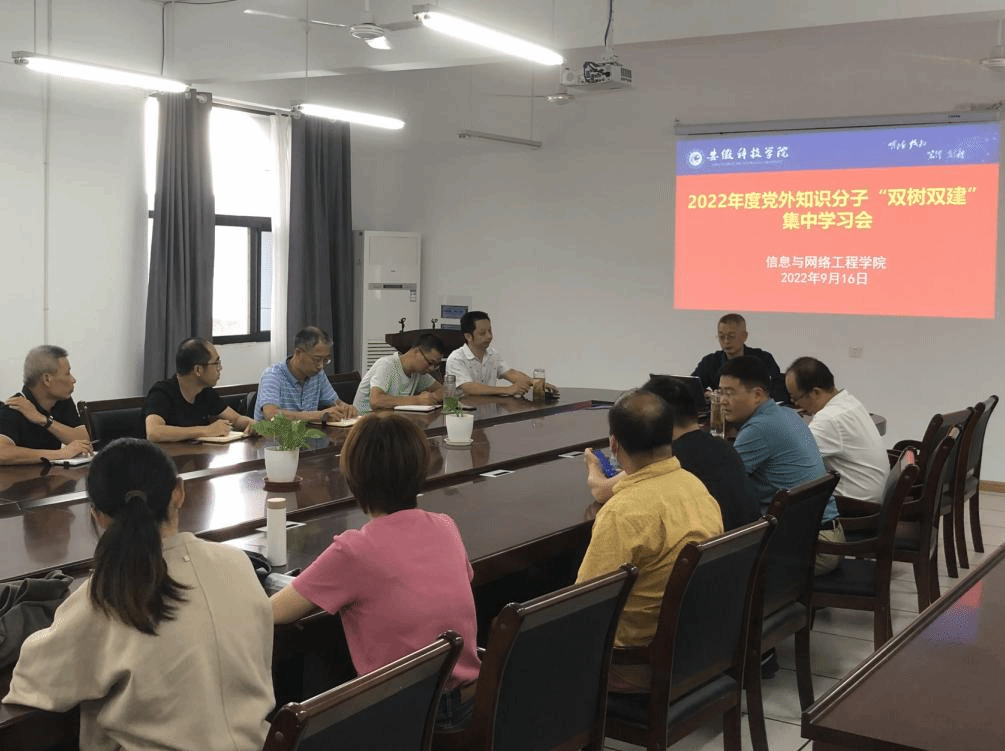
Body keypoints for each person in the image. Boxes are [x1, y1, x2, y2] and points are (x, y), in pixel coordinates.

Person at [3, 438, 275, 750]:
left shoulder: (109, 595)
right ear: (179, 492)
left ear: (97, 514)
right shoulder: (237, 563)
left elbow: (33, 681)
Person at [270, 412, 481, 728]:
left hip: (406, 717)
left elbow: (273, 612)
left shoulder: (355, 550)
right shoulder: (445, 525)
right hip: (470, 705)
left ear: (352, 477)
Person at [576, 390, 723, 692]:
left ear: (614, 444)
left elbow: (585, 605)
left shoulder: (623, 511)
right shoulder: (696, 487)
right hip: (698, 645)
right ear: (671, 435)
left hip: (636, 664)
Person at [719, 356, 843, 575]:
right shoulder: (786, 414)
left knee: (710, 563)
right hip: (825, 536)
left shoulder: (759, 429)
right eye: (720, 392)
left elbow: (722, 486)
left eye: (729, 393)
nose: (722, 401)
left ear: (757, 395)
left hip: (812, 548)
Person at [586, 377, 758, 531]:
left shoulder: (669, 459)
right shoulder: (723, 445)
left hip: (709, 549)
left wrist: (593, 464)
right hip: (738, 548)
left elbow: (602, 491)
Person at [785, 357, 888, 503]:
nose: (795, 405)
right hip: (873, 495)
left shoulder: (829, 419)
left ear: (815, 392)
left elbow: (792, 462)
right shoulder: (848, 401)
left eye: (795, 398)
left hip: (855, 504)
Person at [143, 338, 254, 442]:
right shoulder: (162, 392)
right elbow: (153, 432)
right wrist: (207, 430)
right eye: (216, 363)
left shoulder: (206, 392)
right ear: (198, 370)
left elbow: (236, 419)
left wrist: (256, 426)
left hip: (194, 455)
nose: (220, 368)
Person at [0, 345, 91, 465]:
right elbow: (2, 453)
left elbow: (84, 440)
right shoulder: (14, 407)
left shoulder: (61, 400)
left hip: (51, 475)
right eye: (67, 373)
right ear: (47, 379)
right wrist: (60, 454)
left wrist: (44, 420)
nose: (73, 380)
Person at [255, 326, 357, 421]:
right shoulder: (272, 375)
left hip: (306, 433)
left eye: (326, 360)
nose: (321, 366)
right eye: (317, 360)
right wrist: (319, 415)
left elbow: (334, 402)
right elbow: (271, 414)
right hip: (272, 434)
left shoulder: (318, 375)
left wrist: (345, 407)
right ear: (298, 353)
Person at [445, 311, 557, 397]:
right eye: (482, 333)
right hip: (462, 413)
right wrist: (508, 390)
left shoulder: (493, 354)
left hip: (488, 410)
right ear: (468, 336)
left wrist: (536, 383)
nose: (489, 336)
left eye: (490, 331)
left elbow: (510, 373)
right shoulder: (456, 359)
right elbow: (468, 387)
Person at [691, 313, 786, 401]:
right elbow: (691, 386)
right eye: (721, 336)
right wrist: (707, 394)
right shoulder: (710, 361)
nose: (726, 341)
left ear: (745, 336)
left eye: (731, 336)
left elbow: (778, 389)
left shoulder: (763, 359)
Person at [353, 334, 446, 413]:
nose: (431, 368)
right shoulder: (387, 364)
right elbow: (376, 401)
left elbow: (444, 391)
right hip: (365, 422)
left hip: (390, 420)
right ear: (416, 352)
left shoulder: (418, 373)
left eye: (435, 365)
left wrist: (432, 397)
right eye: (430, 363)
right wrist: (418, 400)